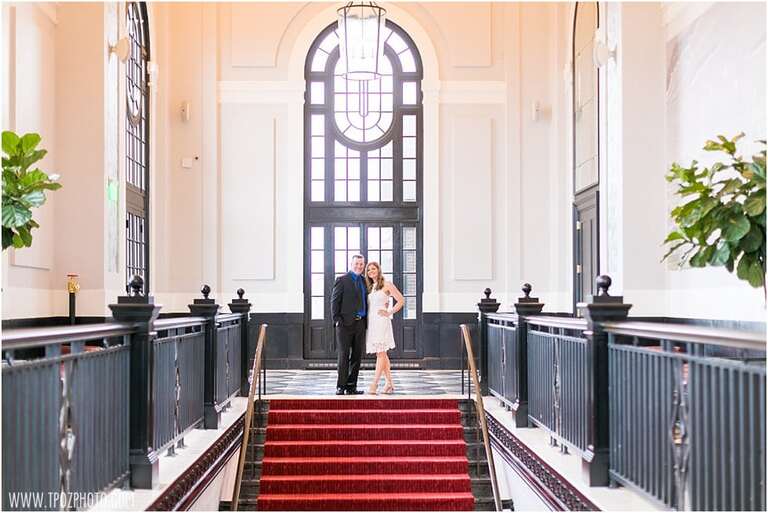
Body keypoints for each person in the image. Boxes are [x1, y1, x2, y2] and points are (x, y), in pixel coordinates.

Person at [364, 261, 404, 395]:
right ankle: (389, 383)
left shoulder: (386, 284)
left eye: (373, 269)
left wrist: (389, 311)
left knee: (381, 352)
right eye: (368, 270)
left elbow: (401, 300)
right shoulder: (370, 287)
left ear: (378, 270)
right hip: (372, 322)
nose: (371, 272)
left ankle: (374, 384)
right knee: (381, 353)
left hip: (382, 321)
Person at [331, 254, 367, 395]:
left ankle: (352, 386)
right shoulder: (342, 280)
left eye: (361, 264)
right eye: (356, 263)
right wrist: (337, 320)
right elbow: (334, 302)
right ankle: (341, 386)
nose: (359, 266)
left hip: (360, 324)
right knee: (344, 355)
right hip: (344, 325)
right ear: (351, 264)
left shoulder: (364, 281)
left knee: (357, 356)